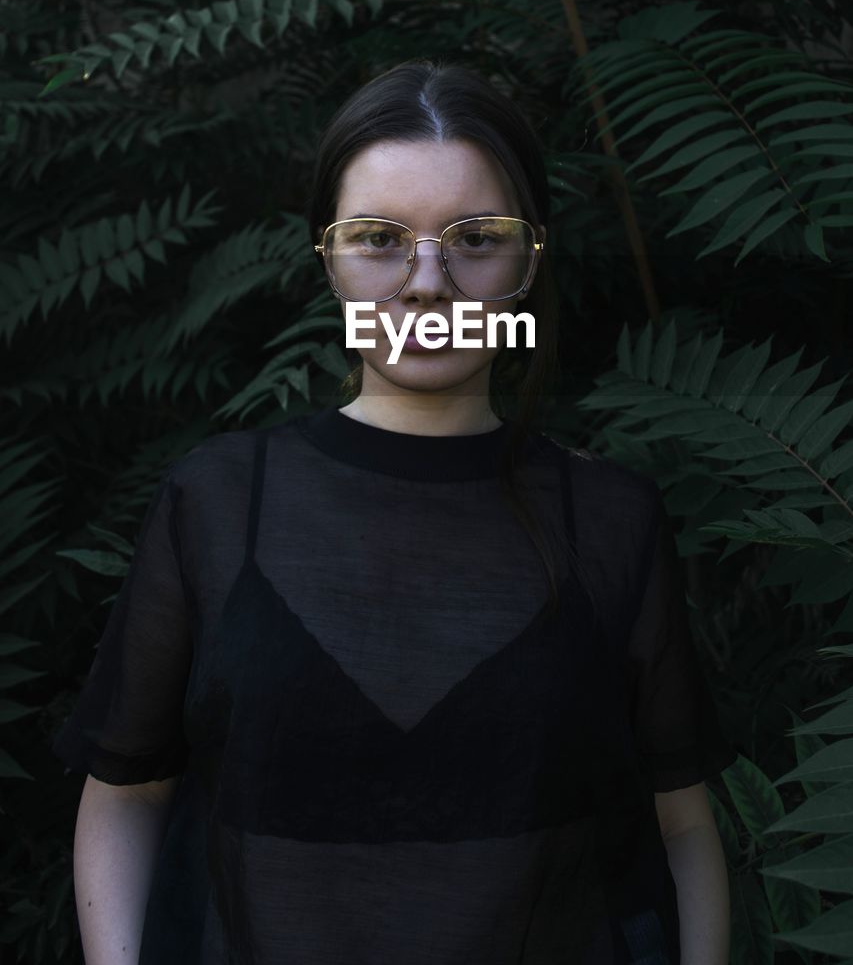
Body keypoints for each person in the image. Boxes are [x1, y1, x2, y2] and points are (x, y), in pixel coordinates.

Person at [53, 59, 737, 964]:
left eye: (474, 237)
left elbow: (680, 825)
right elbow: (126, 793)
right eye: (379, 238)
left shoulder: (611, 521)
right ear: (328, 260)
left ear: (530, 258)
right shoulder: (217, 504)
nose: (425, 283)